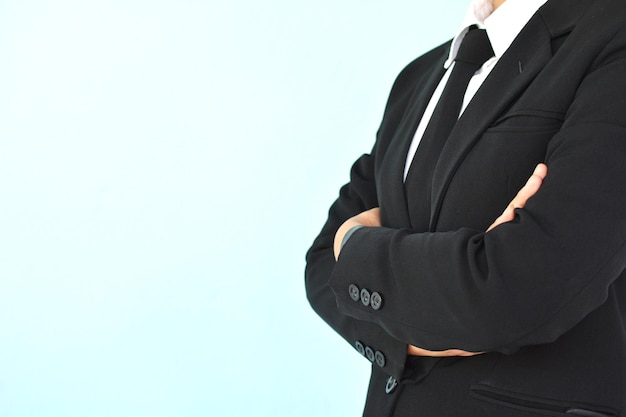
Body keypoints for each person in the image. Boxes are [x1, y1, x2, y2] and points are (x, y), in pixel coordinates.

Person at [304, 0, 626, 415]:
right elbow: (321, 268)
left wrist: (354, 245)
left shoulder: (611, 41)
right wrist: (453, 308)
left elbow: (519, 290)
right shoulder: (417, 78)